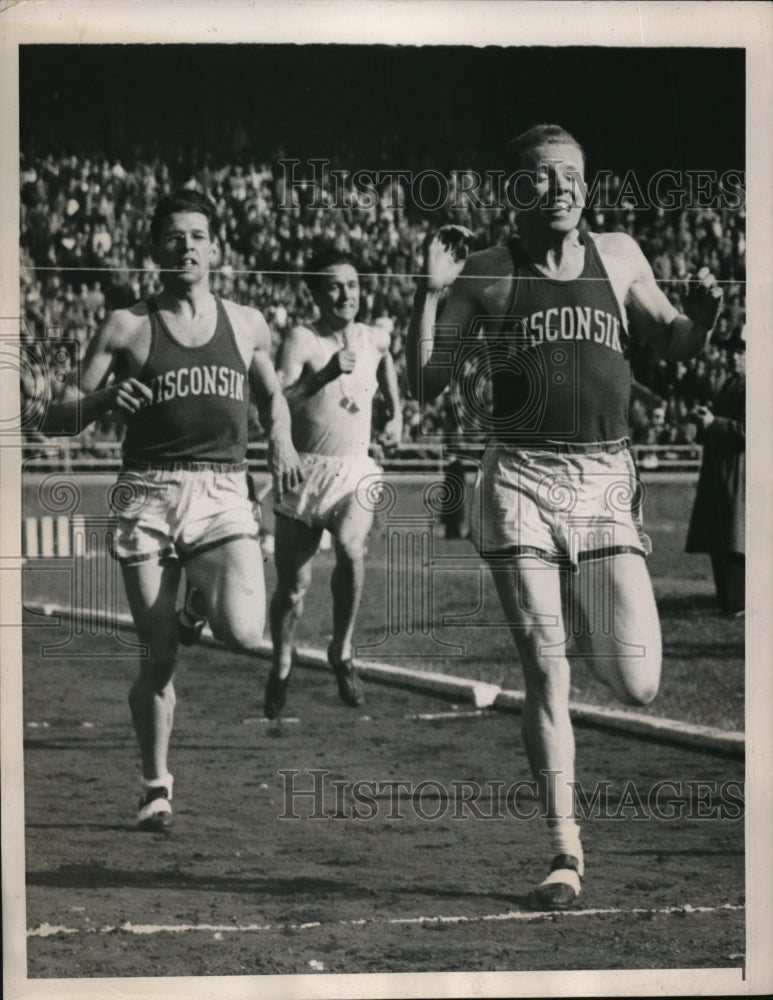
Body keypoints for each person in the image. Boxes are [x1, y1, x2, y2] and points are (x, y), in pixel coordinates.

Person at [406, 124, 723, 909]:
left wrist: (704, 318)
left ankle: (575, 604)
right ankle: (563, 850)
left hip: (604, 479)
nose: (560, 189)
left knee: (640, 682)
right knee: (544, 669)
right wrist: (429, 292)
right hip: (519, 478)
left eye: (572, 176)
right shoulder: (485, 272)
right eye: (543, 177)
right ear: (516, 190)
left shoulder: (618, 254)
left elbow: (672, 341)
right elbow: (424, 384)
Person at [42, 189, 303, 832]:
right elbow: (56, 418)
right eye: (174, 235)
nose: (186, 245)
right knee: (159, 660)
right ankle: (155, 785)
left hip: (220, 490)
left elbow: (273, 400)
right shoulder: (127, 325)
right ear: (154, 248)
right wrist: (103, 401)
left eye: (197, 235)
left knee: (245, 633)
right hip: (148, 494)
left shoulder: (246, 323)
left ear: (216, 248)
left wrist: (284, 442)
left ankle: (195, 606)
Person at [265, 248, 402, 719]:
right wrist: (324, 375)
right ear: (317, 294)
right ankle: (282, 660)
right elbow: (277, 402)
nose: (346, 295)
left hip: (355, 469)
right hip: (303, 471)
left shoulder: (374, 337)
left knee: (350, 548)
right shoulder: (302, 340)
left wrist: (397, 414)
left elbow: (386, 364)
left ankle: (341, 652)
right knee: (294, 586)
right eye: (334, 287)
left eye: (352, 285)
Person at [686, 330, 745, 614]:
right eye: (733, 351)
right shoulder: (730, 384)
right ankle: (728, 601)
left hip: (739, 473)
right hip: (720, 472)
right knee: (720, 537)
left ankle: (737, 601)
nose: (735, 356)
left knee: (735, 539)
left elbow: (750, 432)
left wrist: (713, 423)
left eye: (742, 351)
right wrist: (703, 424)